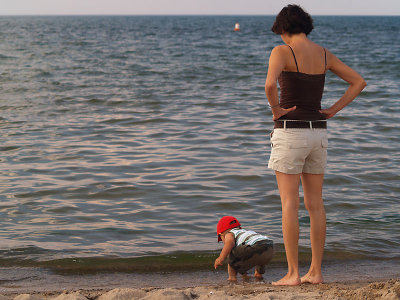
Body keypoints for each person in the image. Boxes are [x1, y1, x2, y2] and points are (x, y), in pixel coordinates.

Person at [265, 5, 366, 286]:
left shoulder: (281, 52)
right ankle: (316, 272)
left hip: (290, 132)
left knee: (289, 204)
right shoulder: (323, 54)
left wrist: (276, 110)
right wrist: (333, 109)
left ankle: (293, 274)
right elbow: (358, 82)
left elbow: (269, 85)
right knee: (316, 205)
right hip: (318, 133)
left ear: (284, 28)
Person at [214, 216, 274, 282]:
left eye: (221, 238)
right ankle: (258, 274)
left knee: (231, 254)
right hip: (269, 247)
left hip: (254, 247)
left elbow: (229, 244)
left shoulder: (229, 233)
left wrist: (221, 257)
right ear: (239, 228)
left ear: (221, 234)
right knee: (259, 258)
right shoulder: (246, 232)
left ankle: (232, 278)